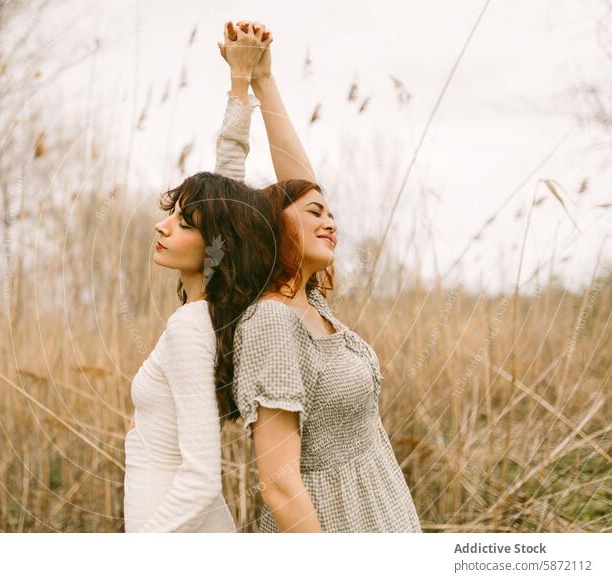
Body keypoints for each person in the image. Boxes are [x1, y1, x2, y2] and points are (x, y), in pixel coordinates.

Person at [217, 20, 423, 533]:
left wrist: (265, 78)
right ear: (269, 229)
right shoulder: (272, 322)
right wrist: (239, 85)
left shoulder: (310, 305)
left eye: (330, 211)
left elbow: (299, 183)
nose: (329, 219)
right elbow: (281, 483)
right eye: (313, 213)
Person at [122, 23, 272, 533]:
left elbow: (203, 478)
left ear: (215, 248)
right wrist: (239, 81)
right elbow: (227, 188)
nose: (163, 226)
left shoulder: (191, 327)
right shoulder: (212, 315)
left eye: (185, 223)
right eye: (173, 213)